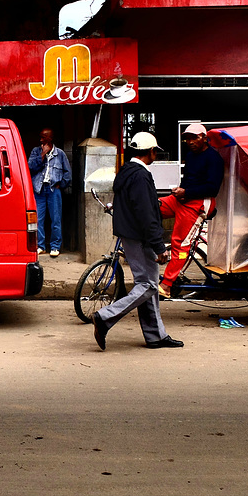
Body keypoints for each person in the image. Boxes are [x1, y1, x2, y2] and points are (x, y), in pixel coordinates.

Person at [91, 132, 183, 351]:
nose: (155, 155)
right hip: (140, 237)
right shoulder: (140, 175)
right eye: (155, 152)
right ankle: (105, 317)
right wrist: (158, 244)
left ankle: (155, 336)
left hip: (130, 235)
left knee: (146, 284)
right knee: (149, 285)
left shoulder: (126, 172)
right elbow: (145, 213)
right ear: (150, 152)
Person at [158, 123, 224, 298]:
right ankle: (154, 248)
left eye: (194, 137)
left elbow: (212, 188)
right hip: (182, 199)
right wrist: (180, 192)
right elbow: (189, 181)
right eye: (187, 138)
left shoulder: (214, 158)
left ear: (204, 138)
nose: (190, 141)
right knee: (152, 207)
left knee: (180, 243)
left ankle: (166, 285)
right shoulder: (191, 155)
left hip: (199, 204)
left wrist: (186, 192)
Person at [28, 128, 72, 257]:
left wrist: (61, 184)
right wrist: (43, 154)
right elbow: (30, 167)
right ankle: (40, 246)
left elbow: (67, 173)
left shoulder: (60, 154)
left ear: (50, 138)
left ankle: (55, 246)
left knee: (55, 219)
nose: (41, 140)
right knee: (38, 219)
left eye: (44, 137)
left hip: (53, 190)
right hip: (39, 189)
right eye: (40, 137)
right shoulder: (36, 151)